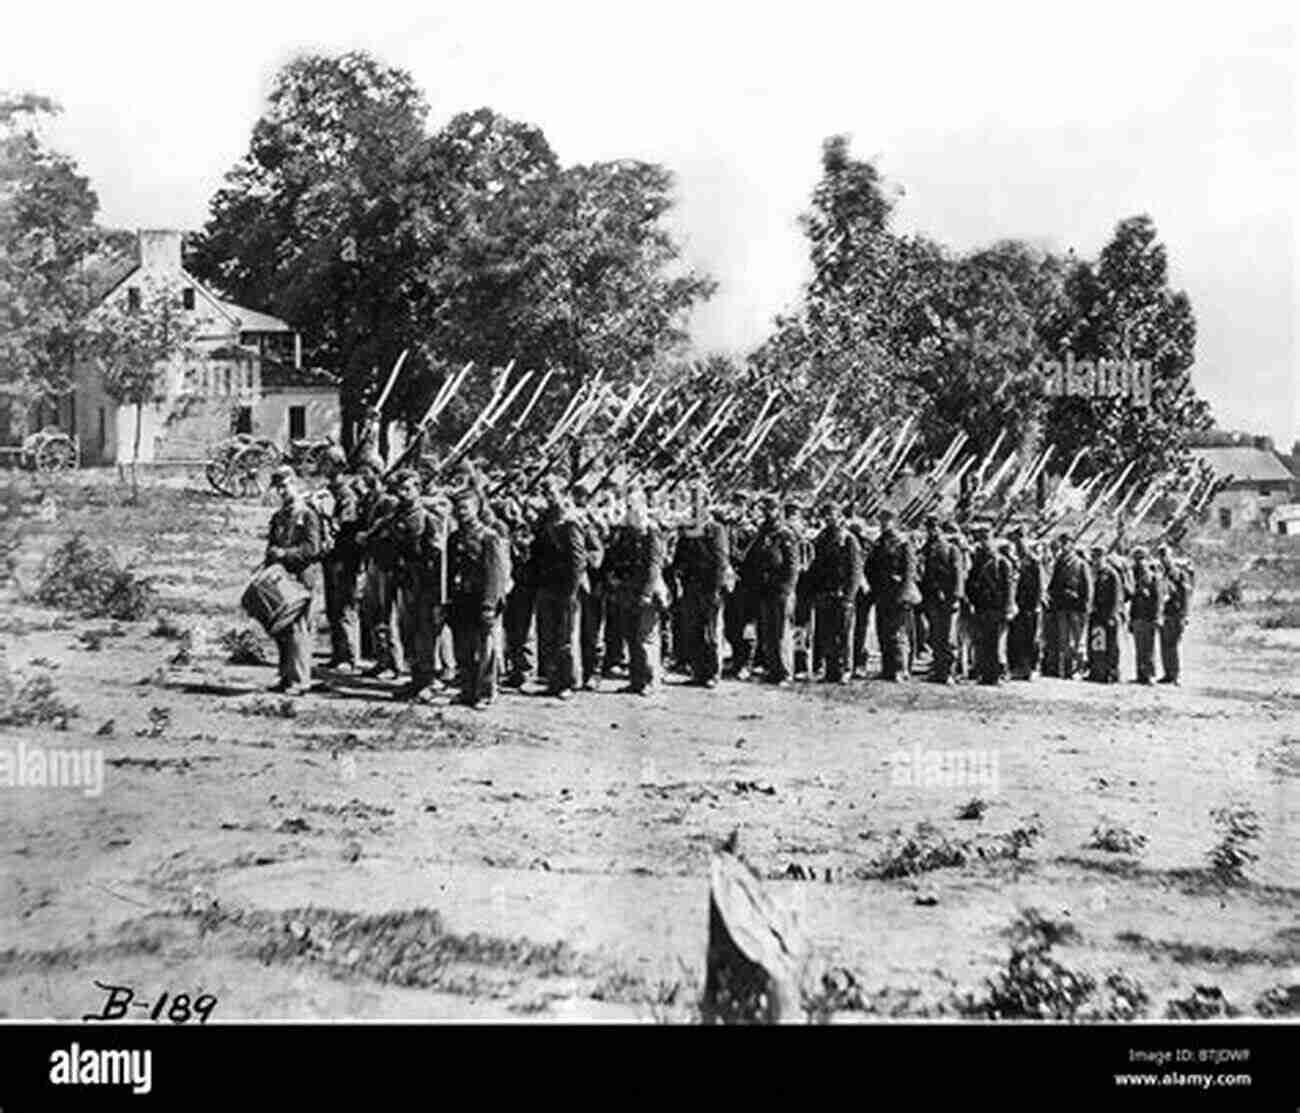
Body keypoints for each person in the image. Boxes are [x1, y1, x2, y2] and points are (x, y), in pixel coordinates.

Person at [375, 469, 444, 701]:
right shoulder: (395, 517)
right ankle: (416, 679)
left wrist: (436, 592)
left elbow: (437, 557)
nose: (403, 494)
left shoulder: (428, 518)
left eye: (408, 489)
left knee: (426, 634)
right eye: (400, 490)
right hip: (404, 582)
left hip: (424, 585)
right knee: (408, 632)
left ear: (418, 490)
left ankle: (430, 681)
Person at [446, 488, 509, 707]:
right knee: (463, 648)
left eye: (466, 508)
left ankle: (485, 692)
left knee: (485, 650)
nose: (461, 512)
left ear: (477, 509)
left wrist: (490, 605)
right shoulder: (454, 538)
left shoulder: (489, 537)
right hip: (461, 599)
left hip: (481, 600)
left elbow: (495, 574)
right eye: (458, 508)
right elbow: (448, 572)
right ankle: (467, 690)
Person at [263, 465, 322, 695]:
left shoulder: (307, 513)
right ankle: (286, 676)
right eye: (278, 487)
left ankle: (300, 680)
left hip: (302, 575)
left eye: (285, 486)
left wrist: (285, 554)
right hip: (282, 577)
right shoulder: (279, 515)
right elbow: (271, 543)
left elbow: (312, 548)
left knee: (299, 630)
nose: (281, 491)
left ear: (295, 483)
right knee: (282, 630)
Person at [530, 477, 585, 700]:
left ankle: (568, 682)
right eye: (546, 493)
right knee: (549, 636)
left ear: (564, 494)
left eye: (552, 493)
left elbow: (577, 560)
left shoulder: (570, 523)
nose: (548, 497)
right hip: (547, 584)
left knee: (566, 638)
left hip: (565, 587)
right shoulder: (546, 519)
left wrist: (571, 590)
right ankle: (554, 680)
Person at [672, 482, 730, 687]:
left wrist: (716, 588)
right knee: (693, 630)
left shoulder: (716, 529)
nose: (696, 507)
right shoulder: (688, 529)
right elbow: (679, 557)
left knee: (712, 632)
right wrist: (678, 575)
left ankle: (713, 673)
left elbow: (720, 561)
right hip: (691, 586)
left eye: (700, 502)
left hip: (709, 587)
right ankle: (698, 672)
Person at [614, 487, 667, 695]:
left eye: (632, 507)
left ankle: (650, 681)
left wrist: (646, 593)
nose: (629, 511)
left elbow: (654, 566)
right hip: (629, 591)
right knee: (631, 637)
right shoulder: (628, 533)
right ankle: (636, 680)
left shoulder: (651, 532)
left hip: (647, 593)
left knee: (646, 638)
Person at [806, 500, 862, 683]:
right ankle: (831, 670)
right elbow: (815, 568)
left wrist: (849, 596)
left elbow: (855, 571)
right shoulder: (821, 539)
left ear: (839, 517)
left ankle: (845, 669)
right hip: (825, 593)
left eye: (832, 515)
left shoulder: (848, 540)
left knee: (844, 635)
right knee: (826, 633)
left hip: (842, 594)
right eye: (826, 515)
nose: (829, 518)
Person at [746, 494, 800, 685]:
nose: (766, 513)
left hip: (780, 589)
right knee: (767, 632)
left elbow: (792, 565)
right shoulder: (763, 532)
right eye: (763, 509)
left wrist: (786, 589)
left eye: (769, 509)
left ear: (777, 510)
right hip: (765, 589)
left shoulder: (785, 534)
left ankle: (784, 672)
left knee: (781, 632)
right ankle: (773, 669)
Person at [865, 507, 917, 681]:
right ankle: (887, 668)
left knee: (898, 633)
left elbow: (909, 571)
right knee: (883, 631)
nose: (883, 524)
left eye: (886, 521)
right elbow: (872, 567)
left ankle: (900, 669)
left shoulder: (903, 543)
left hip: (898, 592)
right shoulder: (880, 542)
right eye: (881, 521)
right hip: (883, 592)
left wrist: (904, 592)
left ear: (894, 522)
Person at [965, 521, 1016, 685]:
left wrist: (1008, 608)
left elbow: (1009, 587)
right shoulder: (978, 561)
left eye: (986, 539)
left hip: (996, 607)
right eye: (981, 540)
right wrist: (972, 600)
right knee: (982, 641)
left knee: (995, 643)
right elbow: (971, 583)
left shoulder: (1002, 563)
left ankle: (994, 675)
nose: (983, 543)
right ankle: (985, 673)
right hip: (982, 606)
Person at [323, 471, 362, 671]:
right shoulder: (335, 495)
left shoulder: (348, 497)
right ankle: (338, 654)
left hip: (345, 559)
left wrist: (327, 516)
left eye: (331, 472)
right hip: (333, 558)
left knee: (345, 608)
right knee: (333, 608)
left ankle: (349, 656)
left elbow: (345, 526)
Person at [920, 518, 964, 684]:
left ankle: (948, 672)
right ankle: (939, 670)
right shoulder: (928, 548)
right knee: (936, 635)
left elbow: (958, 574)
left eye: (934, 528)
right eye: (929, 528)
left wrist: (956, 597)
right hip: (933, 598)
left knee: (948, 638)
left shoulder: (951, 549)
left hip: (947, 598)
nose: (931, 531)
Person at [573, 485, 608, 690]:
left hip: (594, 584)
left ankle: (593, 673)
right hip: (576, 584)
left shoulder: (590, 524)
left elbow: (596, 557)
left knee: (593, 632)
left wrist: (579, 558)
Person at [722, 494, 758, 679]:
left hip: (745, 582)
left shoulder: (751, 530)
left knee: (747, 626)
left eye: (741, 505)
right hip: (729, 582)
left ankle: (747, 663)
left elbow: (751, 556)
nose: (736, 507)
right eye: (734, 503)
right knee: (731, 624)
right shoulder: (727, 527)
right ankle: (736, 659)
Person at [1048, 534, 1092, 679]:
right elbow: (1053, 585)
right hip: (1062, 606)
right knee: (1064, 640)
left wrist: (1085, 606)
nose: (1064, 546)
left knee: (1078, 641)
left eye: (1067, 543)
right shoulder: (1059, 563)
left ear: (1072, 545)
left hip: (1077, 608)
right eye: (1062, 543)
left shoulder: (1081, 564)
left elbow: (1087, 587)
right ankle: (1067, 669)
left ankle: (1078, 669)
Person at [1007, 525, 1045, 680]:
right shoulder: (1016, 561)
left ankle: (1033, 667)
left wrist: (1036, 604)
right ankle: (1019, 666)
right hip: (1019, 605)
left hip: (1031, 605)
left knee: (1032, 638)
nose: (1018, 545)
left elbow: (1040, 585)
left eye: (1020, 541)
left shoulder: (1033, 562)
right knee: (1018, 637)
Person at [1086, 546, 1124, 683]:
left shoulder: (1111, 574)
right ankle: (1096, 670)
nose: (1095, 560)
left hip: (1108, 615)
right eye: (1094, 557)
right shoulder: (1094, 573)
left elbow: (1116, 596)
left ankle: (1112, 672)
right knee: (1096, 645)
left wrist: (1112, 615)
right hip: (1096, 614)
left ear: (1104, 557)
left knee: (1111, 645)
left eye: (1098, 557)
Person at [1129, 545, 1164, 685]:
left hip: (1149, 617)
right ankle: (1140, 674)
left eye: (1141, 558)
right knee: (1139, 648)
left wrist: (1157, 617)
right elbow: (1133, 600)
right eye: (1136, 558)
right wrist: (1131, 619)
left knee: (1149, 648)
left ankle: (1150, 674)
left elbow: (1158, 599)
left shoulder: (1154, 578)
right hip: (1138, 616)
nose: (1139, 561)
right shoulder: (1133, 577)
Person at [1158, 545, 1192, 685]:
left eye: (1165, 555)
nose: (1163, 558)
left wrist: (1185, 615)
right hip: (1165, 613)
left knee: (1173, 645)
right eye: (1161, 556)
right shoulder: (1162, 574)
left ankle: (1175, 674)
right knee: (1164, 645)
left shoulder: (1178, 574)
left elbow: (1185, 595)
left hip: (1176, 613)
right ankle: (1168, 673)